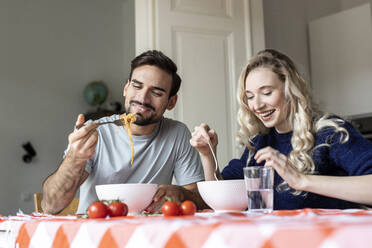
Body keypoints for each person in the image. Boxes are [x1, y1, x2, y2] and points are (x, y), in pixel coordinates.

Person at [190, 49, 372, 210]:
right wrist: (207, 154)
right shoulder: (259, 143)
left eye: (267, 92)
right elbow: (223, 200)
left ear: (290, 89)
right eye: (250, 97)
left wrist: (302, 180)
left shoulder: (329, 132)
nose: (257, 105)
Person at [42, 50, 205, 214]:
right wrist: (75, 158)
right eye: (137, 86)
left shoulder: (177, 134)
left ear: (171, 102)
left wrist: (181, 194)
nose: (143, 99)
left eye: (156, 92)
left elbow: (202, 201)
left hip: (151, 233)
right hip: (95, 231)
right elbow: (51, 206)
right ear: (126, 88)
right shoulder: (96, 131)